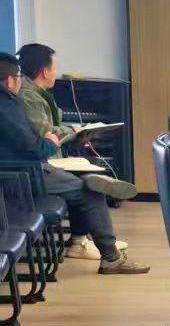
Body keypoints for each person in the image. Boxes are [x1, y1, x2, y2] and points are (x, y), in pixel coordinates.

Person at [0, 53, 147, 274]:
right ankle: (110, 258)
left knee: (83, 183)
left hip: (19, 171)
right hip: (19, 177)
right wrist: (50, 142)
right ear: (12, 80)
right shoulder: (7, 106)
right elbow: (36, 148)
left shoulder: (9, 104)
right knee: (89, 191)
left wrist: (45, 141)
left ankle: (82, 238)